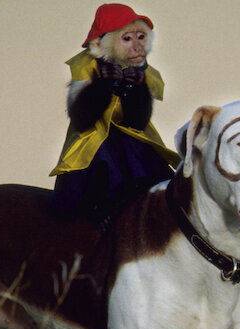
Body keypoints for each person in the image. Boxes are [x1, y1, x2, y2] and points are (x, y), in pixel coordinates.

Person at [49, 3, 180, 226]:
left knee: (165, 187)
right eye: (127, 39)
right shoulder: (86, 65)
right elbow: (81, 119)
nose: (137, 46)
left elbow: (138, 121)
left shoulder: (145, 72)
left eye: (141, 37)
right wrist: (102, 86)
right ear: (102, 44)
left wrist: (137, 90)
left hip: (132, 140)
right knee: (101, 166)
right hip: (94, 142)